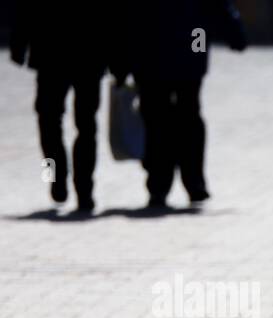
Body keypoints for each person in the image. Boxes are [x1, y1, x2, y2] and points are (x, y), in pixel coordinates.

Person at [118, 0, 248, 208]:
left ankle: (160, 184)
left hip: (152, 54)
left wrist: (120, 62)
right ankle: (193, 181)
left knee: (157, 122)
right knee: (188, 118)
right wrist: (235, 33)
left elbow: (125, 13)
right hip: (188, 51)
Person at [9, 0, 125, 214]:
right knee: (84, 125)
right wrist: (119, 61)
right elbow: (114, 15)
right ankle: (84, 190)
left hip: (52, 53)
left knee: (49, 121)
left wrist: (18, 43)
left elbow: (27, 9)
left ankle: (56, 179)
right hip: (88, 54)